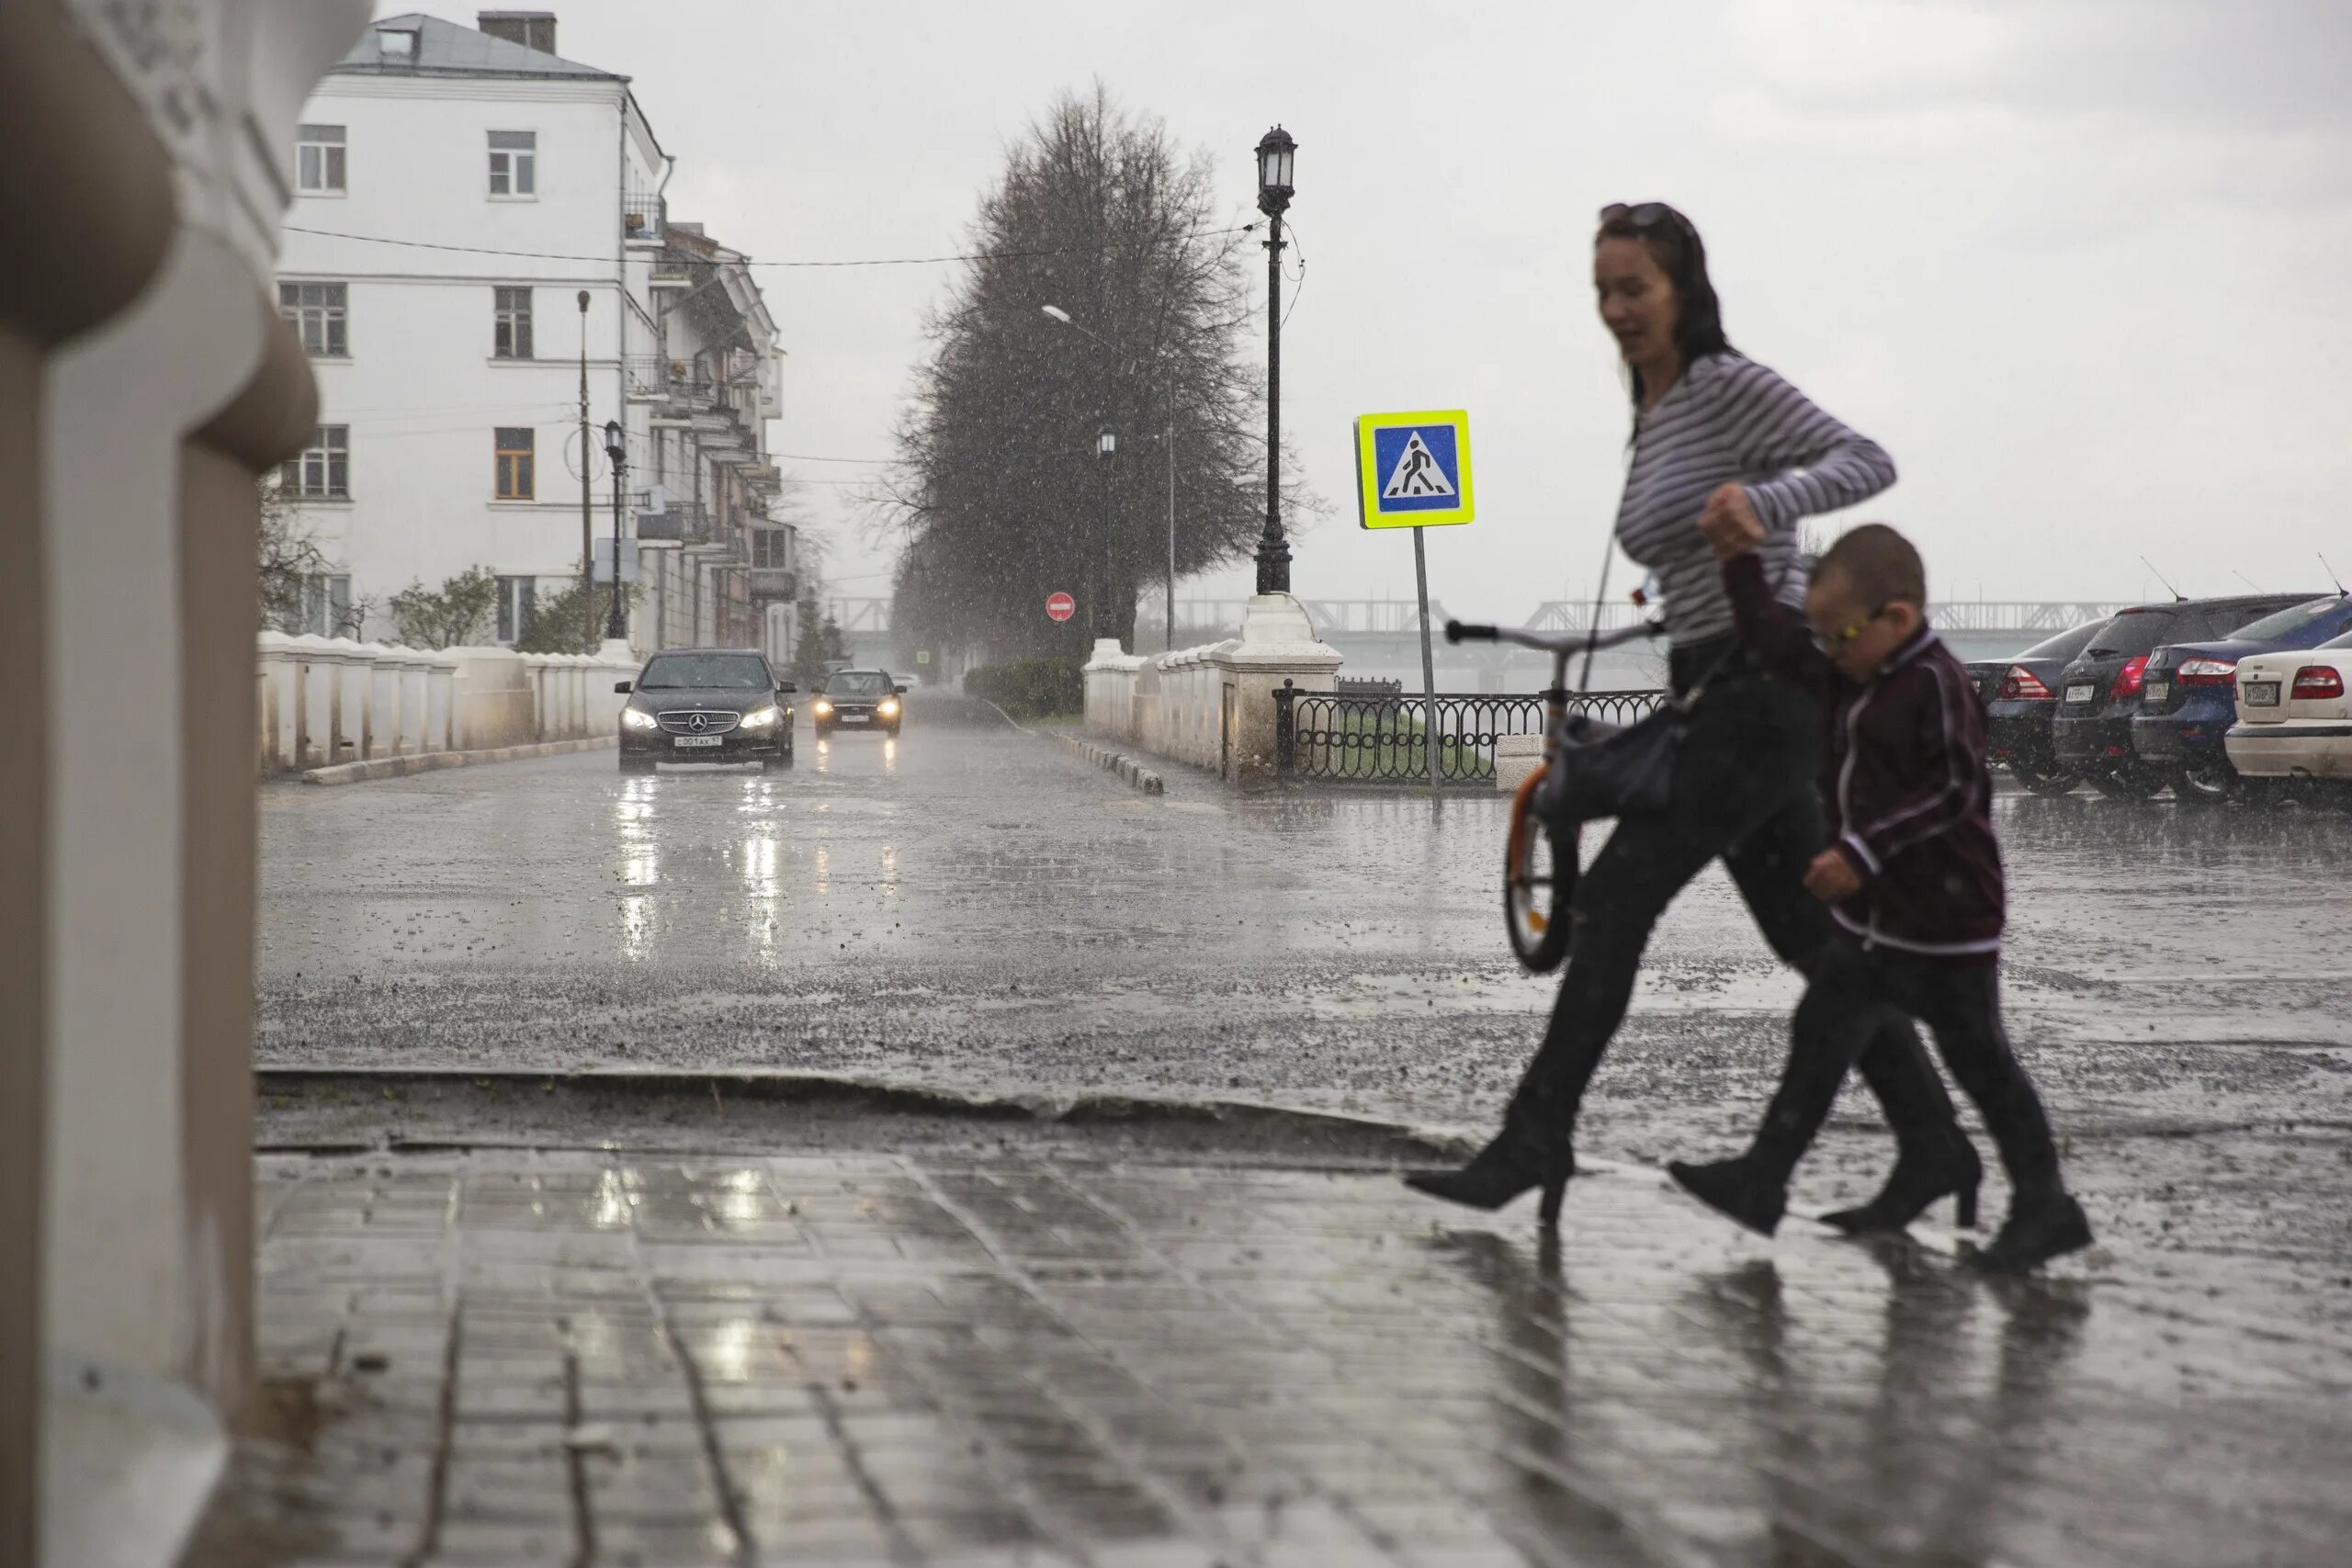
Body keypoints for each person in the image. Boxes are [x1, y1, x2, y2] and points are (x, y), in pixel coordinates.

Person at [1406, 202, 1977, 1230]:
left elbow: (1866, 460)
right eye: (1603, 292)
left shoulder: (1722, 387)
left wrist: (1767, 507)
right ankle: (1934, 1147)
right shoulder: (1655, 401)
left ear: (1683, 291)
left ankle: (1535, 1137)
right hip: (1717, 685)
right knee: (1812, 938)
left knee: (1613, 905)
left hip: (1763, 693)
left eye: (1635, 289)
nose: (1617, 309)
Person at [1668, 521, 2093, 1273]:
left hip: (1948, 921)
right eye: (1824, 638)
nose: (1828, 651)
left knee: (1981, 1062)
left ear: (1897, 619)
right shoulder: (1853, 671)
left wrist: (1860, 851)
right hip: (1880, 921)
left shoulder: (1934, 681)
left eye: (1840, 636)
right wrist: (1737, 564)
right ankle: (1764, 1178)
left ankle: (2046, 1206)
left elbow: (1958, 788)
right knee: (1824, 1026)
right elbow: (1775, 641)